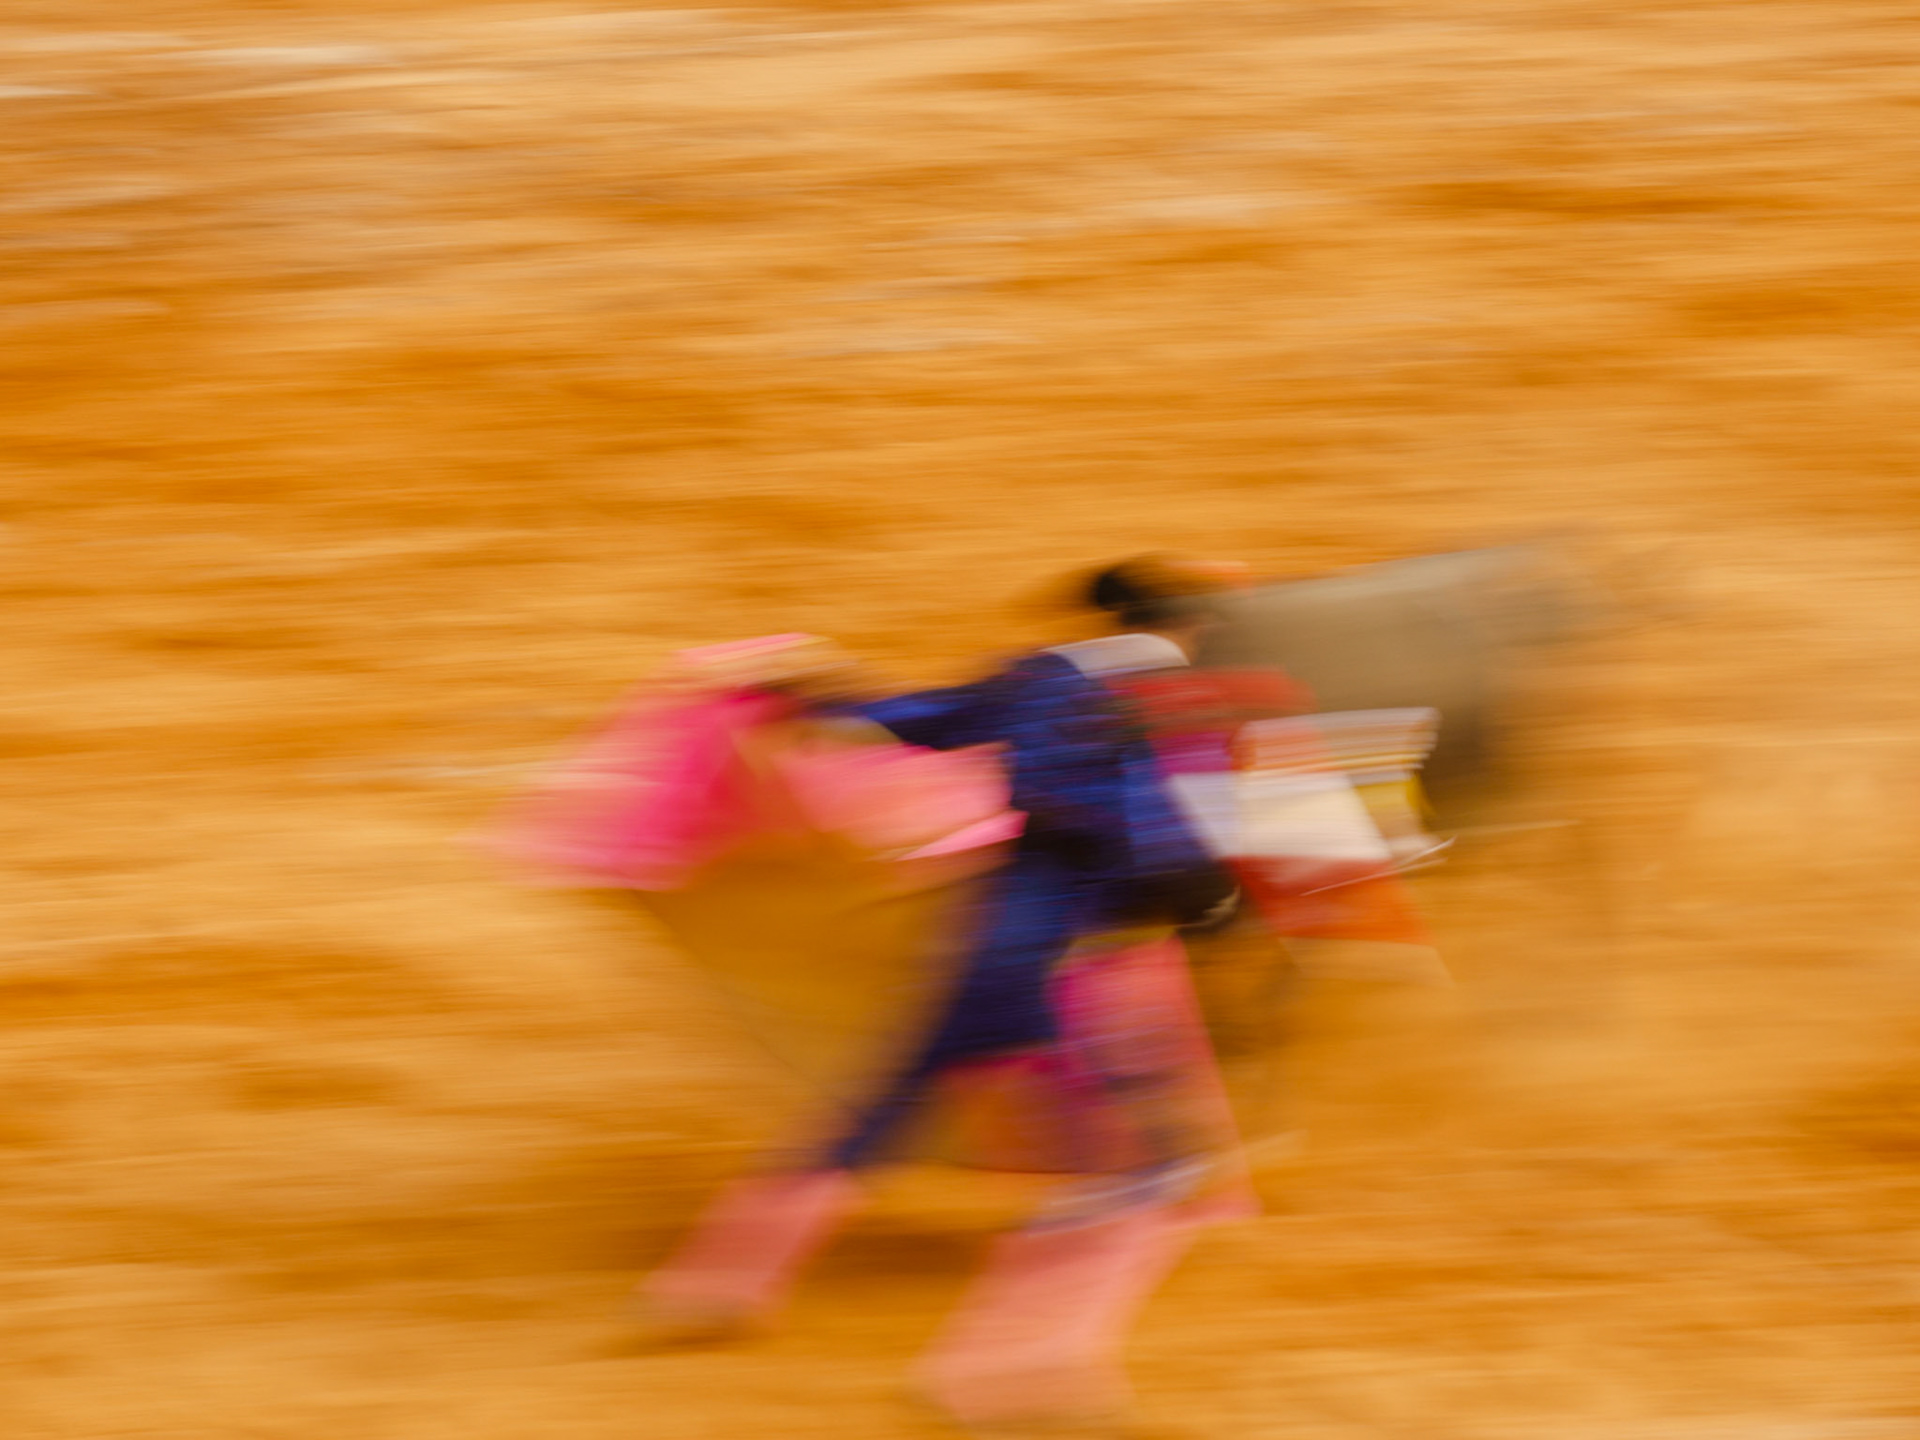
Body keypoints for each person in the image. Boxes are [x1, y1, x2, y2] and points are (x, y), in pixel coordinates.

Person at [630, 556, 1305, 1430]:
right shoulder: (1179, 704)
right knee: (1152, 1168)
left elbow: (909, 719)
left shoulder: (1036, 678)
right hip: (1073, 974)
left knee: (879, 1117)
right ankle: (1013, 1367)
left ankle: (708, 1286)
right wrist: (1215, 905)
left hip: (981, 949)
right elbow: (1151, 831)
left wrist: (806, 687)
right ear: (1197, 630)